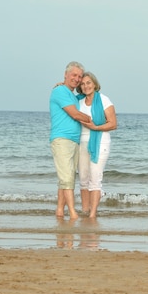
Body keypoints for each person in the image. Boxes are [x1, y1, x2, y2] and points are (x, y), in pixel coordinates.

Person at [49, 61, 92, 219]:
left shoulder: (73, 95)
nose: (77, 78)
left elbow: (89, 92)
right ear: (66, 74)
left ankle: (60, 211)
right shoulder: (60, 91)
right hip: (62, 139)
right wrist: (91, 119)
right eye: (74, 75)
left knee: (65, 178)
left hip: (74, 141)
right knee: (67, 177)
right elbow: (74, 114)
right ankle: (73, 213)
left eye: (79, 76)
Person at [76, 72, 117, 219]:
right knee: (83, 179)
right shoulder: (78, 101)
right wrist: (61, 85)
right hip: (82, 143)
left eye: (88, 83)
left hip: (100, 142)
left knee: (95, 178)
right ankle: (85, 211)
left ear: (94, 84)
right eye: (83, 83)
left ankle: (92, 215)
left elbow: (113, 124)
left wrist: (95, 127)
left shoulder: (104, 100)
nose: (86, 86)